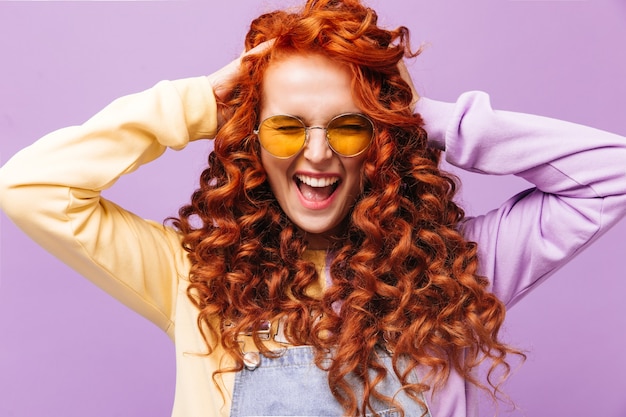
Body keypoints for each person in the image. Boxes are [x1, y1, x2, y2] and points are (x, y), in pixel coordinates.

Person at [1, 0, 625, 416]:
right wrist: (197, 103)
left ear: (380, 141)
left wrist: (416, 119)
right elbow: (30, 187)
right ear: (251, 139)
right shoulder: (193, 278)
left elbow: (611, 174)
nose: (318, 154)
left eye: (349, 127)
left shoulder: (455, 268)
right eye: (287, 128)